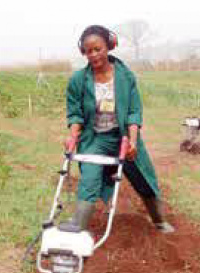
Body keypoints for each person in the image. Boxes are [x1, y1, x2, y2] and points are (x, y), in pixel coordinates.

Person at [58, 25, 175, 234]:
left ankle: (159, 220)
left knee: (144, 178)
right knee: (89, 180)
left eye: (98, 49)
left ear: (109, 47)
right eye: (88, 51)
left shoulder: (125, 76)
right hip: (95, 139)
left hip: (123, 136)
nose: (93, 55)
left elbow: (133, 112)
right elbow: (75, 113)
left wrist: (131, 140)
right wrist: (72, 136)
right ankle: (78, 229)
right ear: (83, 52)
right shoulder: (78, 80)